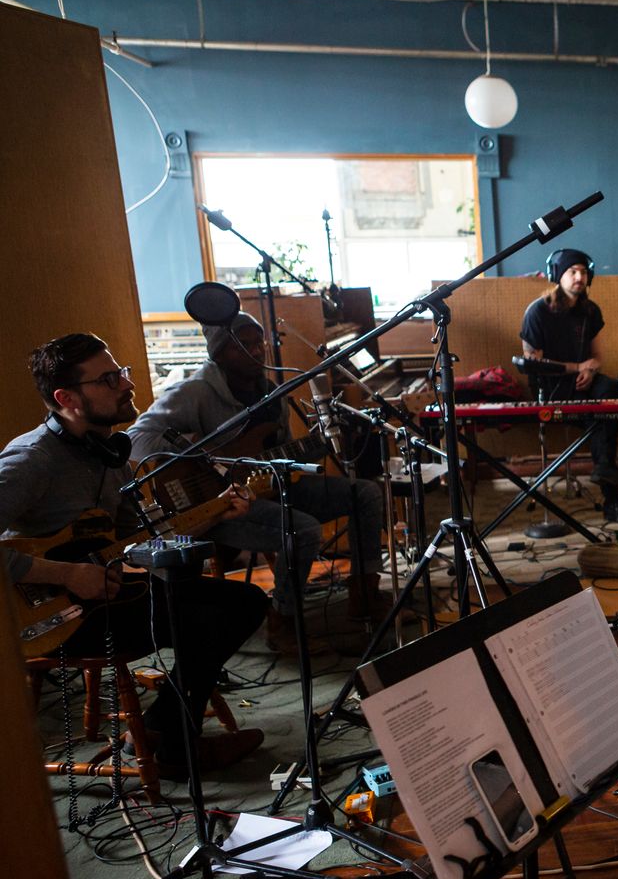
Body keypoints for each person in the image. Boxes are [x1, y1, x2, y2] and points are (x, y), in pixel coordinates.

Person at [1, 334, 267, 775]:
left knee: (245, 601)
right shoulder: (33, 460)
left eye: (120, 372)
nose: (127, 384)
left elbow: (145, 539)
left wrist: (216, 511)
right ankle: (176, 749)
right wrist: (66, 574)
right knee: (207, 618)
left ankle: (160, 726)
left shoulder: (109, 455)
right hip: (52, 618)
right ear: (67, 399)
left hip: (103, 596)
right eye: (108, 379)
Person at [128, 312, 396, 653]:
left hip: (267, 489)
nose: (256, 351)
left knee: (366, 493)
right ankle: (282, 620)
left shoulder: (271, 392)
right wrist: (201, 452)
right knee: (302, 529)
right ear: (219, 352)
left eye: (259, 343)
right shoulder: (194, 392)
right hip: (216, 505)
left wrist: (324, 442)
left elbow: (283, 453)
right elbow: (135, 438)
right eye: (243, 345)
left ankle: (364, 596)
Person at [519, 248, 618, 524]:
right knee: (602, 418)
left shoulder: (590, 311)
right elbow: (533, 362)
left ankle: (604, 470)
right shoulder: (538, 311)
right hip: (551, 389)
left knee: (613, 391)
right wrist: (576, 368)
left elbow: (596, 356)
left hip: (584, 384)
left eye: (583, 272)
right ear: (558, 275)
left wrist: (590, 369)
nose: (579, 277)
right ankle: (612, 499)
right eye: (572, 272)